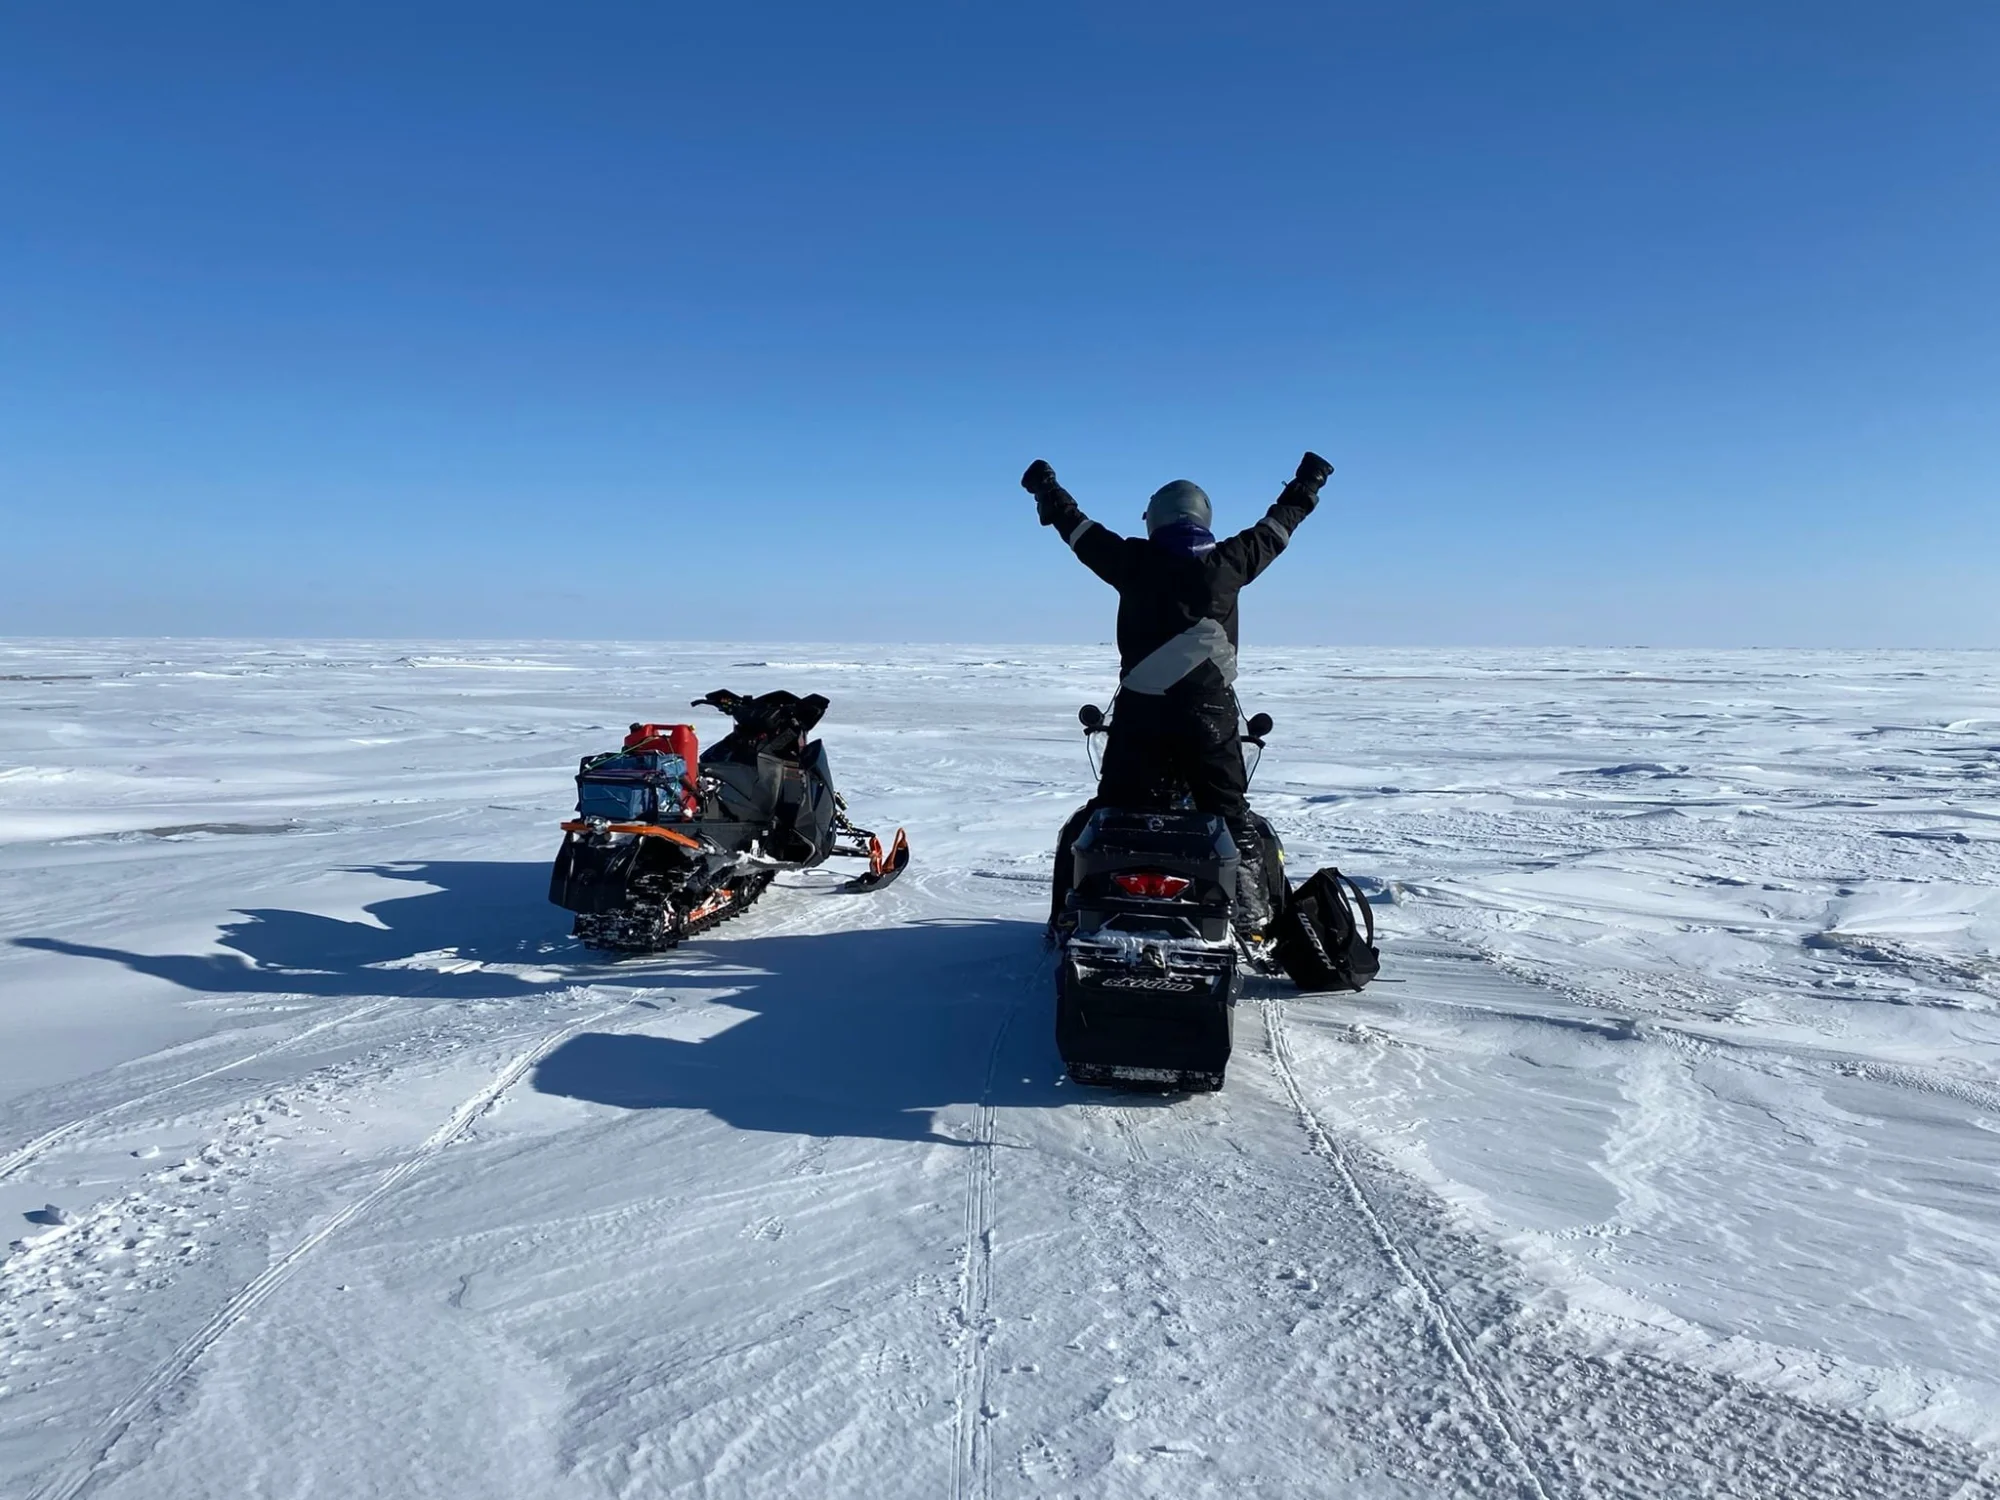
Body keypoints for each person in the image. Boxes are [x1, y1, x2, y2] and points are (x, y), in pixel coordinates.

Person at [1023, 451, 1332, 938]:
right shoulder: (1231, 561)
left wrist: (1047, 491)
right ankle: (1253, 915)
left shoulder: (1132, 560)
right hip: (1209, 717)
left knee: (1113, 813)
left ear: (1156, 521)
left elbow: (1078, 531)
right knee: (1229, 817)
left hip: (1141, 716)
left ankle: (1076, 909)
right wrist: (1307, 483)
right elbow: (1279, 525)